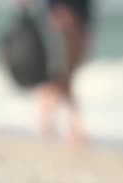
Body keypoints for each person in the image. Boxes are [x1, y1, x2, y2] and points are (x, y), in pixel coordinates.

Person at [37, 0, 93, 146]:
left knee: (61, 74)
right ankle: (69, 126)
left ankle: (49, 123)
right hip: (64, 13)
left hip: (75, 15)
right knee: (60, 74)